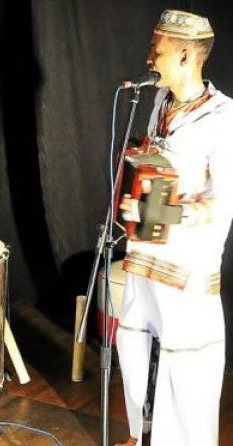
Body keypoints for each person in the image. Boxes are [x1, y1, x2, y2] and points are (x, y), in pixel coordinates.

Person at [115, 10, 233, 446]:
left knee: (185, 362)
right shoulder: (160, 104)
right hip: (145, 252)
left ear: (186, 55)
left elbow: (224, 198)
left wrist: (168, 214)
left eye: (157, 50)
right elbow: (157, 175)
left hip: (186, 266)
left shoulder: (223, 116)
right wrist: (136, 204)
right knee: (133, 344)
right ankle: (139, 433)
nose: (150, 59)